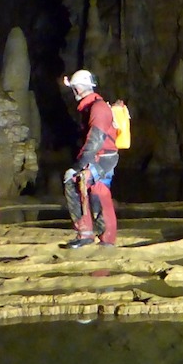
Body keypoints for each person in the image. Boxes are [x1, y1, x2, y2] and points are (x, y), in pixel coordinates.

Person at [62, 69, 118, 248]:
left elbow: (95, 141)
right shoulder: (91, 107)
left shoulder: (98, 108)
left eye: (74, 89)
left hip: (104, 158)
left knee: (97, 190)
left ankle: (107, 238)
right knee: (76, 183)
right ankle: (85, 233)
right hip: (98, 156)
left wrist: (78, 166)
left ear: (78, 89)